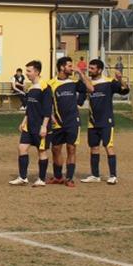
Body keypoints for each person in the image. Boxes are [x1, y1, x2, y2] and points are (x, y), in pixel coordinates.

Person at [79, 58, 130, 184]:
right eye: (89, 68)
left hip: (106, 121)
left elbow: (125, 91)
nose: (90, 70)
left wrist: (120, 79)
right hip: (92, 122)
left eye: (92, 68)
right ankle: (95, 175)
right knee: (94, 148)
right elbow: (80, 101)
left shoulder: (109, 82)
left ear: (99, 70)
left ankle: (113, 175)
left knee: (108, 147)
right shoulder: (88, 83)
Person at [48, 56, 92, 188]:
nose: (72, 68)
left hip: (73, 121)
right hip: (58, 122)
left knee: (71, 148)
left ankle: (69, 178)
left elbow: (91, 88)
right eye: (69, 66)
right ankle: (58, 177)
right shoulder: (51, 84)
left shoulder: (73, 83)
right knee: (55, 149)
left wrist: (80, 73)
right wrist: (50, 116)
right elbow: (47, 103)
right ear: (62, 67)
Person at [9, 60, 52, 187]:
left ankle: (41, 179)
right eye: (26, 71)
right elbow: (29, 108)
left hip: (40, 126)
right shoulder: (31, 87)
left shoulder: (45, 87)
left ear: (37, 72)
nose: (26, 73)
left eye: (29, 71)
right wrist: (23, 122)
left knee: (41, 152)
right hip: (29, 125)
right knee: (22, 148)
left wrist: (44, 126)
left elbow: (48, 109)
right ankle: (23, 177)